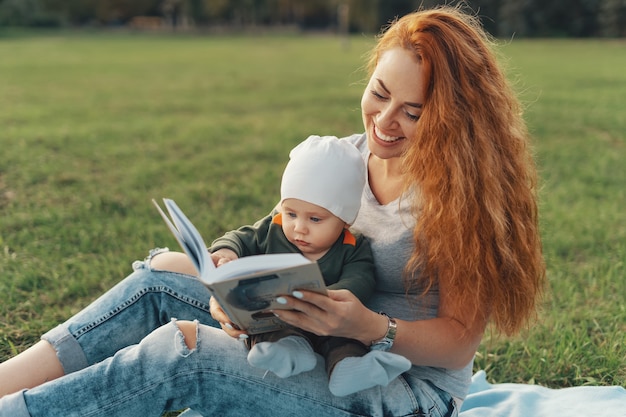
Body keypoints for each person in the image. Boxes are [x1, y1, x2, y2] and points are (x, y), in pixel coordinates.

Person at [0, 5, 545, 417]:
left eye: (413, 112)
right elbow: (276, 242)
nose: (385, 121)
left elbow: (457, 345)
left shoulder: (461, 199)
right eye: (379, 94)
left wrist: (371, 326)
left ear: (453, 117)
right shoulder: (345, 158)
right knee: (159, 276)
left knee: (184, 351)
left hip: (399, 388)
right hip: (306, 337)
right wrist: (230, 296)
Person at [207, 134, 411, 395]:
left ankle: (349, 370)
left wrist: (329, 297)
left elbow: (361, 279)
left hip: (331, 323)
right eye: (291, 213)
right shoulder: (275, 229)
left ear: (344, 221)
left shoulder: (352, 247)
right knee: (267, 329)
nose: (299, 228)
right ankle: (286, 352)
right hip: (281, 320)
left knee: (347, 341)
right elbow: (239, 237)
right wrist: (227, 253)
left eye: (315, 219)